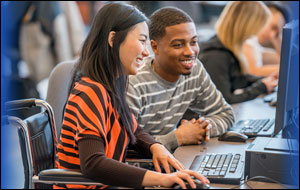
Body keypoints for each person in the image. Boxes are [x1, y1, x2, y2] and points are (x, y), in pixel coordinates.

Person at [55, 3, 209, 189]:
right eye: (142, 41)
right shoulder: (90, 91)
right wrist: (161, 179)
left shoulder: (111, 85)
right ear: (113, 39)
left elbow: (133, 130)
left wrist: (155, 146)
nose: (146, 52)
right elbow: (93, 164)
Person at [126, 7, 234, 153]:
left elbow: (225, 113)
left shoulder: (194, 70)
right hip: (140, 167)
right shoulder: (134, 83)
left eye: (194, 42)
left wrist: (203, 128)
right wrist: (177, 137)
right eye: (178, 45)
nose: (190, 52)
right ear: (155, 47)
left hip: (171, 158)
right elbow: (125, 144)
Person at [199, 1, 278, 104]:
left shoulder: (229, 47)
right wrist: (261, 88)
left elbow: (239, 79)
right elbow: (224, 100)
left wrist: (264, 80)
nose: (255, 34)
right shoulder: (216, 55)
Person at [243, 2, 290, 77]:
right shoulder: (247, 40)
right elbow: (253, 71)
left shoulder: (255, 44)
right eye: (273, 27)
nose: (272, 35)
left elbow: (281, 59)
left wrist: (277, 36)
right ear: (264, 16)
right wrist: (290, 69)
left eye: (277, 33)